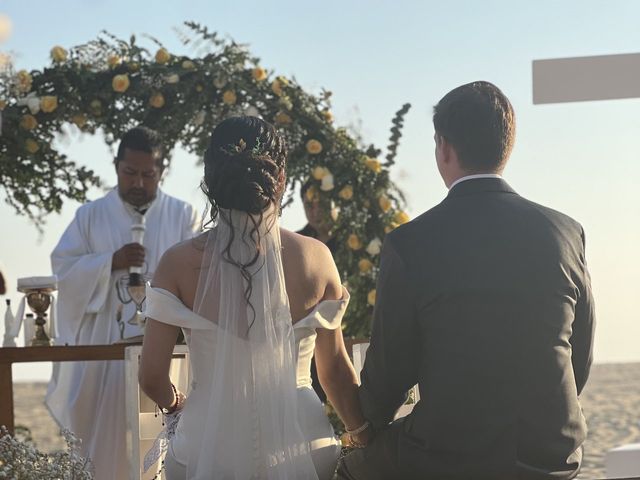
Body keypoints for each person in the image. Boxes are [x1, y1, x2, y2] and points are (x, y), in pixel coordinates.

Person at [338, 81, 595, 480]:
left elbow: (391, 372)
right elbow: (579, 354)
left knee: (346, 469)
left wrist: (366, 426)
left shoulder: (411, 242)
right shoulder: (565, 232)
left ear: (443, 148)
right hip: (552, 455)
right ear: (507, 144)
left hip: (446, 455)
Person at [139, 116, 370, 480]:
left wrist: (176, 404)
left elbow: (151, 376)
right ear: (280, 179)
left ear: (211, 178)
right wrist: (361, 432)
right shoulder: (316, 257)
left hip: (208, 446)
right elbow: (335, 372)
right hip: (302, 445)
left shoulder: (177, 263)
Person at [46, 126, 199, 480]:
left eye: (149, 174)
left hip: (166, 349)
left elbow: (198, 278)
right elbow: (63, 271)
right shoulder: (90, 215)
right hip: (105, 354)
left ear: (162, 171)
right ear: (116, 167)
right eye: (130, 173)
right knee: (103, 444)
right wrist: (106, 263)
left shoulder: (183, 215)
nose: (139, 183)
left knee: (164, 441)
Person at [297, 180, 338, 403]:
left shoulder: (356, 240)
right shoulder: (298, 244)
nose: (313, 211)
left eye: (319, 204)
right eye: (308, 205)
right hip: (310, 344)